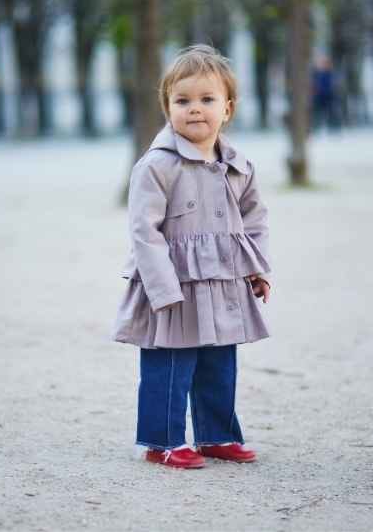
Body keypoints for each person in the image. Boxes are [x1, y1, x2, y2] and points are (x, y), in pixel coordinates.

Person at [111, 44, 273, 469]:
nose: (195, 109)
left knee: (219, 360)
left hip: (222, 280)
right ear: (167, 107)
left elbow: (255, 220)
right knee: (170, 364)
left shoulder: (239, 166)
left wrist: (257, 269)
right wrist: (162, 289)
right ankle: (161, 440)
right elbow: (144, 232)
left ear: (228, 108)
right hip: (172, 286)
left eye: (207, 99)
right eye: (182, 101)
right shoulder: (157, 166)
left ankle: (216, 434)